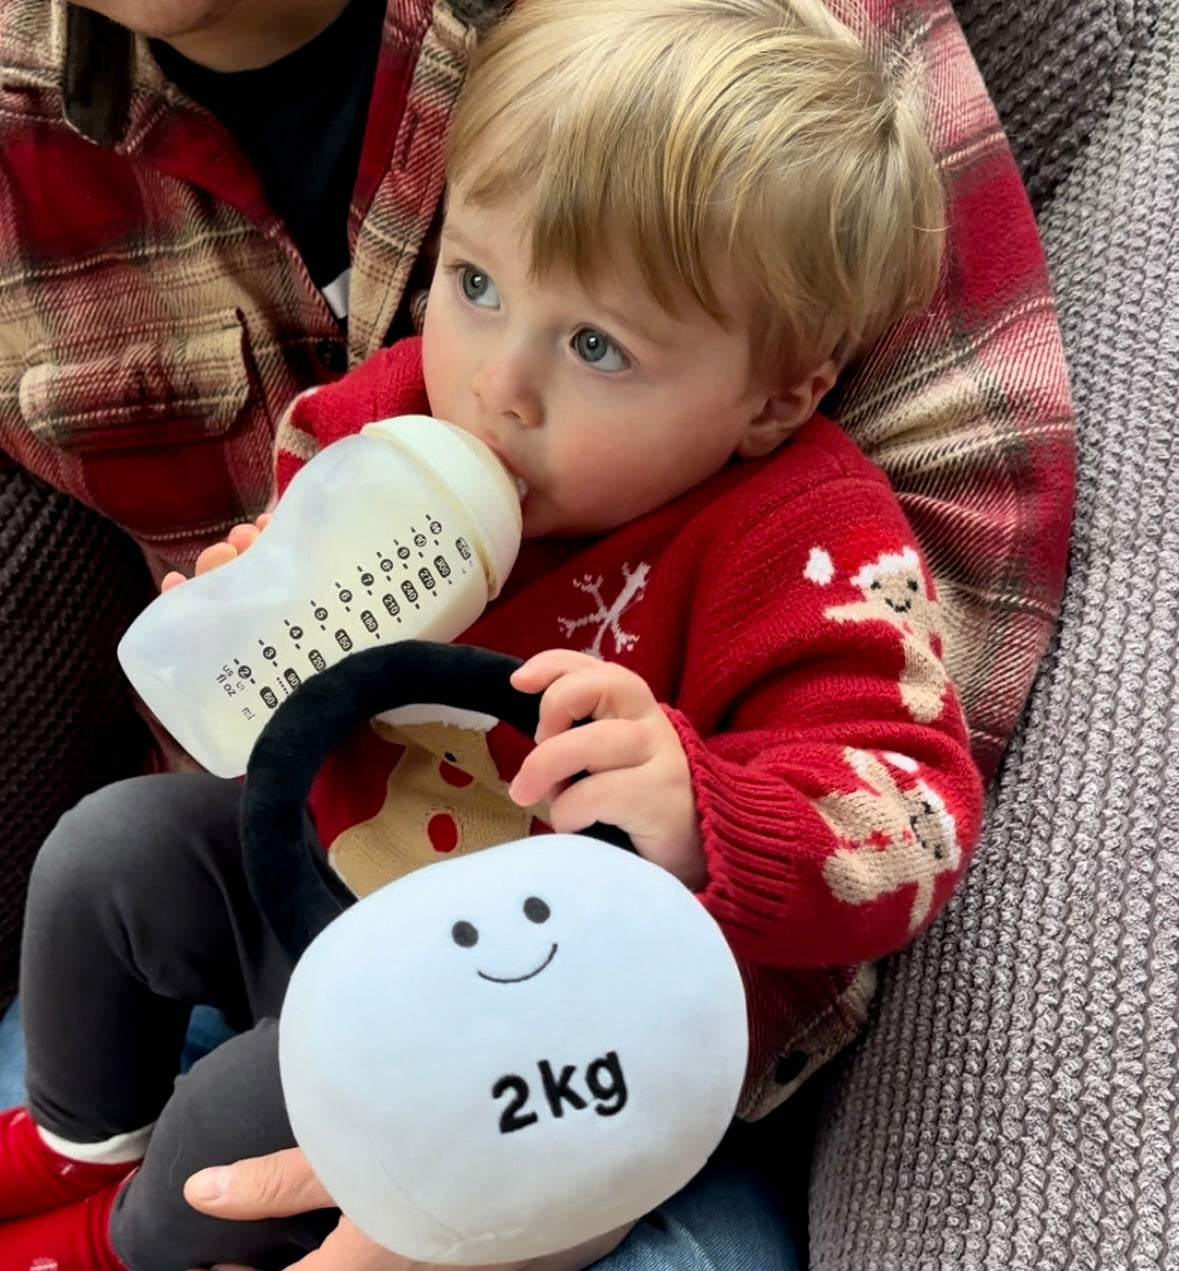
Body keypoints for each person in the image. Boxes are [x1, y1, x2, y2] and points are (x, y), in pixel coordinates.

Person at [0, 1, 983, 1268]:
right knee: (104, 853)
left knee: (241, 1108)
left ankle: (117, 1240)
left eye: (596, 345)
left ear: (776, 390)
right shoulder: (404, 414)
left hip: (520, 1024)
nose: (495, 384)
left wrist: (709, 805)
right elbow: (280, 667)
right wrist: (260, 592)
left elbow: (913, 813)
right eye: (474, 283)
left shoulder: (802, 538)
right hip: (328, 879)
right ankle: (86, 1136)